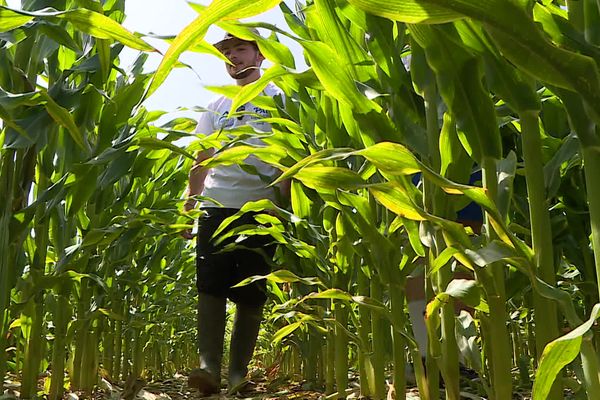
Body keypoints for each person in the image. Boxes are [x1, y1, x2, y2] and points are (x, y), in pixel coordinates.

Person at [183, 29, 287, 396]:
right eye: (227, 52)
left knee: (252, 290)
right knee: (210, 285)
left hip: (262, 207)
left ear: (261, 55)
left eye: (240, 49)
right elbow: (202, 158)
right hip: (216, 206)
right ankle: (208, 368)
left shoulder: (280, 98)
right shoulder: (215, 106)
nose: (233, 58)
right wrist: (190, 203)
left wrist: (289, 211)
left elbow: (289, 159)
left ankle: (239, 374)